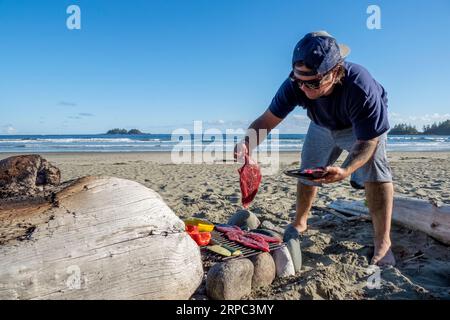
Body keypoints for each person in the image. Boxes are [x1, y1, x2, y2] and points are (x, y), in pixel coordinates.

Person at [234, 31, 395, 266]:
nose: (304, 88)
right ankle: (300, 221)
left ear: (336, 72)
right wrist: (246, 144)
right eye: (299, 80)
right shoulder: (295, 85)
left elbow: (369, 141)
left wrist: (346, 170)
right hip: (322, 123)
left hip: (360, 129)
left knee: (376, 173)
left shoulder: (361, 87)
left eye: (314, 82)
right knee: (308, 168)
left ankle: (383, 243)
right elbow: (267, 121)